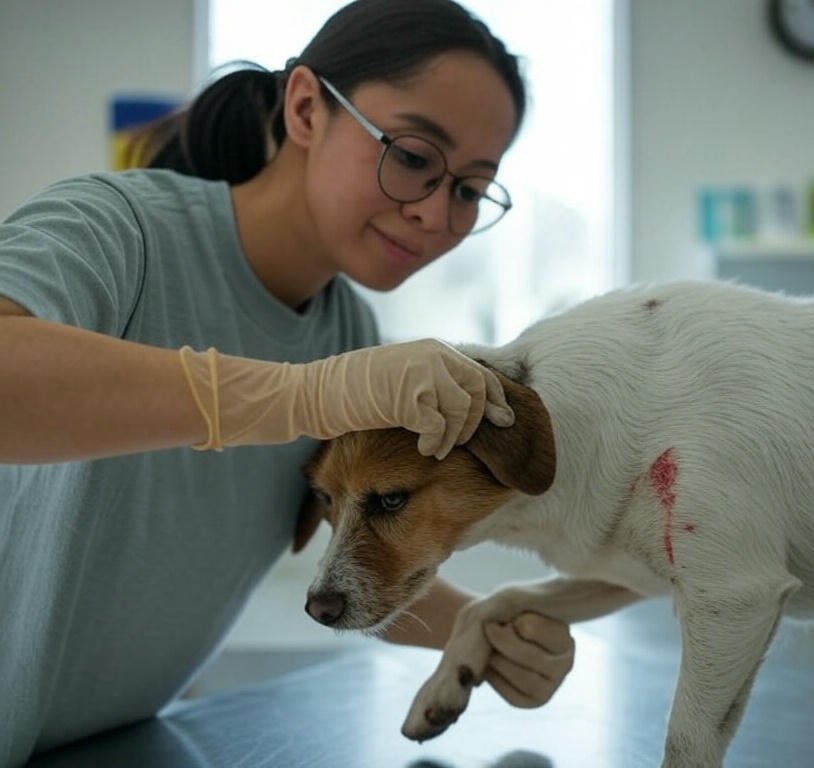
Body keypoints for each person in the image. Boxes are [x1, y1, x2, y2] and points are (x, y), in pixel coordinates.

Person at [0, 1, 576, 764]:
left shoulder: (346, 335)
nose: (437, 213)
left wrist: (490, 629)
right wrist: (303, 397)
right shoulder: (118, 232)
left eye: (470, 189)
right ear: (306, 107)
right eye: (411, 156)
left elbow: (362, 559)